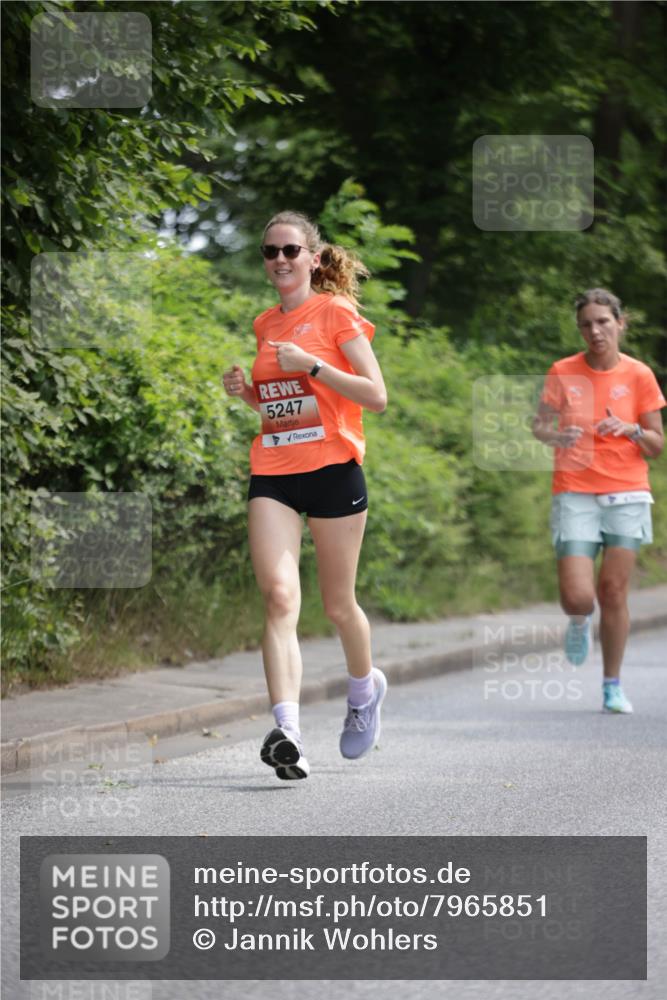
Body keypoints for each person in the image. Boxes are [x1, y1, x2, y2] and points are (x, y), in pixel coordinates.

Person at [222, 211, 388, 779]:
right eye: (270, 252)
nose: (280, 261)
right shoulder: (265, 324)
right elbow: (284, 410)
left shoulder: (336, 311)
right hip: (274, 469)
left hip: (334, 470)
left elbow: (376, 395)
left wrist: (313, 363)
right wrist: (249, 393)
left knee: (339, 606)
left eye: (290, 250)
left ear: (313, 259)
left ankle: (365, 692)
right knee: (278, 596)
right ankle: (287, 731)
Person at [533, 288, 665, 713]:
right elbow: (539, 426)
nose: (595, 330)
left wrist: (630, 430)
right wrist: (556, 435)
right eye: (587, 323)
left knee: (613, 590)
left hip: (627, 493)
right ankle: (577, 620)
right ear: (580, 329)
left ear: (620, 324)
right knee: (578, 595)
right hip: (575, 490)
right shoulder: (563, 370)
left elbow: (657, 444)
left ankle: (612, 684)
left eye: (603, 322)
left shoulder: (639, 375)